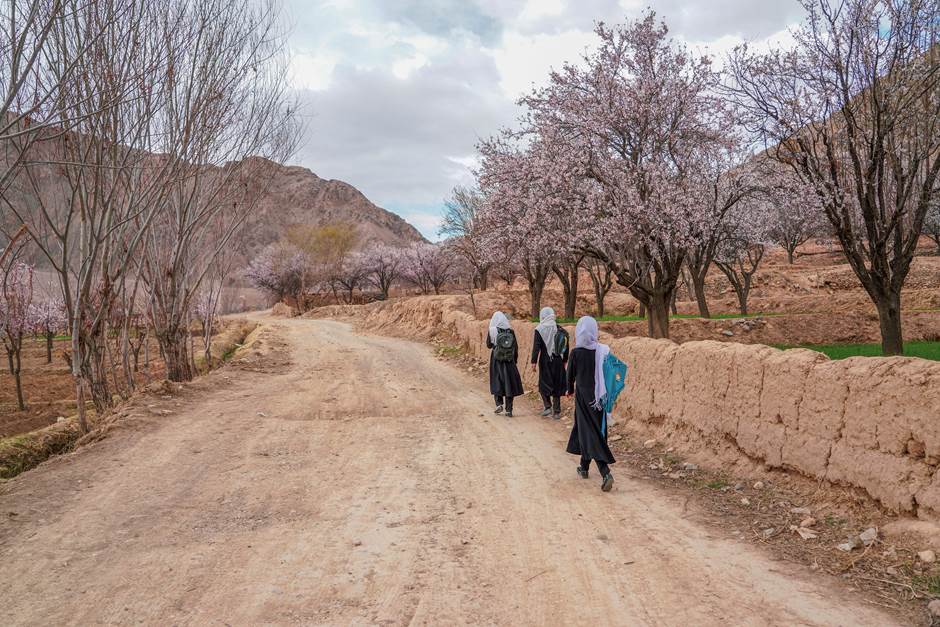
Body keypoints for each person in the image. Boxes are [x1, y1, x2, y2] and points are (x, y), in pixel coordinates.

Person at [566, 315, 615, 492]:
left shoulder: (576, 352)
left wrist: (568, 390)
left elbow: (570, 375)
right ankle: (584, 467)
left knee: (590, 432)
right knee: (586, 429)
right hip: (600, 398)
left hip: (583, 397)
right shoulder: (603, 350)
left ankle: (605, 472)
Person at [530, 306, 568, 419]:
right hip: (558, 361)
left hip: (545, 360)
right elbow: (566, 346)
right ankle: (556, 411)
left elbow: (536, 347)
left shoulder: (539, 329)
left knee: (543, 383)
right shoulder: (561, 329)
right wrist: (565, 360)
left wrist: (533, 361)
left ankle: (547, 406)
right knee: (557, 384)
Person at [486, 311, 524, 416]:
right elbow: (515, 347)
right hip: (509, 360)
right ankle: (509, 410)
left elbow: (489, 345)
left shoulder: (492, 330)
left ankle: (498, 404)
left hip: (496, 359)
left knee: (496, 380)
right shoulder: (510, 331)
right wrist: (514, 360)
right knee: (508, 383)